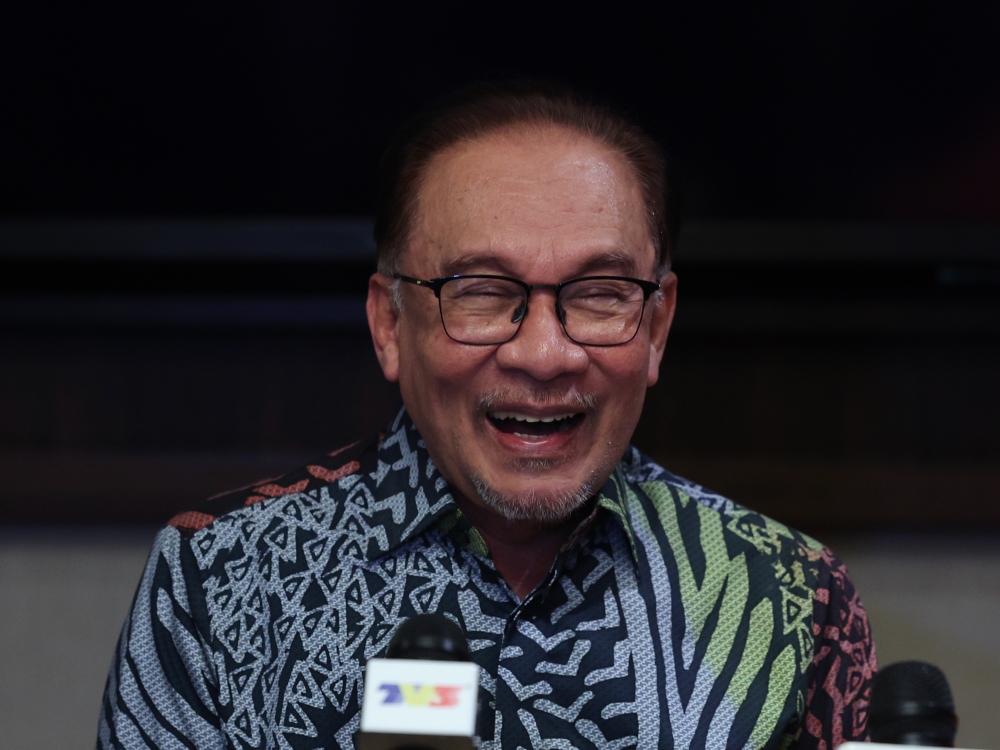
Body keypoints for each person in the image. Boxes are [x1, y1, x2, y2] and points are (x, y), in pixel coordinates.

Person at [97, 81, 876, 750]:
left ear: (658, 326)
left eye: (600, 294)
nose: (544, 353)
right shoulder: (218, 578)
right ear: (390, 324)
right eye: (480, 291)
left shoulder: (788, 596)